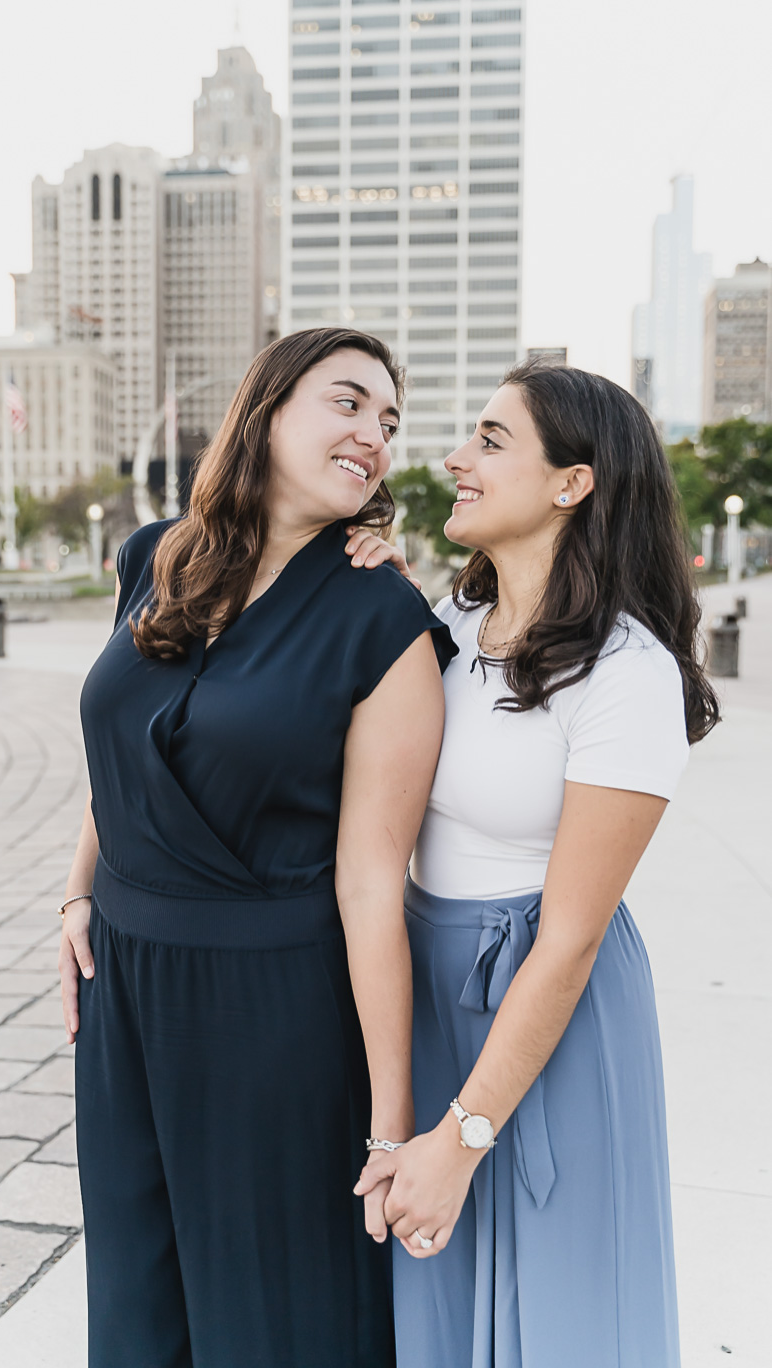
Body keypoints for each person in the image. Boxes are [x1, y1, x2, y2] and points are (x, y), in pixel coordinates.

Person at [57, 328, 456, 1368]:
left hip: (269, 1008)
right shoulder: (153, 555)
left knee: (268, 1316)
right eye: (347, 403)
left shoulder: (384, 616)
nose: (372, 434)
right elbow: (124, 753)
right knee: (136, 1303)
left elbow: (373, 883)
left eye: (388, 422)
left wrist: (390, 1122)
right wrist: (75, 900)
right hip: (123, 993)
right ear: (267, 408)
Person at [351, 362, 720, 1367]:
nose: (452, 460)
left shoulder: (624, 672)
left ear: (572, 482)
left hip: (551, 1012)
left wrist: (465, 1136)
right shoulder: (444, 626)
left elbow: (569, 937)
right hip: (426, 995)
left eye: (488, 439)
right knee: (436, 1300)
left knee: (564, 1317)